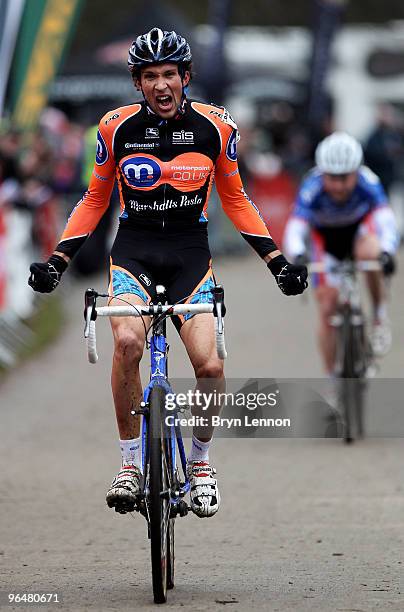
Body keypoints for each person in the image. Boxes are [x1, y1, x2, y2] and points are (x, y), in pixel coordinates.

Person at [28, 28, 308, 518]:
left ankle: (200, 462)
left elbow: (237, 199)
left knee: (211, 366)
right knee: (128, 343)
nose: (161, 84)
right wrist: (58, 261)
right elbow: (95, 200)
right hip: (134, 252)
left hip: (189, 257)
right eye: (150, 75)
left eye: (169, 74)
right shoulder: (115, 127)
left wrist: (276, 262)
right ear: (137, 82)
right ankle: (131, 463)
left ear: (186, 77)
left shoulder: (217, 127)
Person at [284, 131, 399, 381]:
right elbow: (295, 228)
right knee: (327, 307)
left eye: (344, 178)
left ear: (356, 171)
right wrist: (299, 255)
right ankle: (332, 380)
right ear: (322, 172)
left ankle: (379, 316)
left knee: (371, 252)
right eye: (332, 178)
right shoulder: (311, 187)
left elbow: (386, 221)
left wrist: (388, 252)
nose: (338, 186)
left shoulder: (369, 182)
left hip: (358, 234)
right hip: (326, 241)